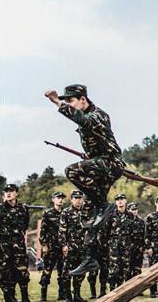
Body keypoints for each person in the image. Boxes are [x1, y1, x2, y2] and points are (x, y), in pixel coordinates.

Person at [44, 84, 125, 276]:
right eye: (66, 102)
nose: (69, 104)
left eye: (70, 101)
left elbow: (83, 120)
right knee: (88, 217)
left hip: (110, 164)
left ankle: (104, 205)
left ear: (83, 99)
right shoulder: (85, 117)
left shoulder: (98, 115)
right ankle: (90, 259)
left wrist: (57, 102)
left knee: (71, 171)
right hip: (99, 166)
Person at [0, 184, 33, 302]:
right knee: (5, 272)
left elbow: (25, 224)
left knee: (22, 271)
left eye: (11, 191)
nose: (9, 193)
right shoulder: (0, 209)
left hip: (19, 245)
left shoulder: (23, 208)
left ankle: (25, 299)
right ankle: (8, 301)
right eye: (6, 191)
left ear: (16, 193)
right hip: (4, 247)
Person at [59, 190, 88, 302]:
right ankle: (68, 296)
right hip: (70, 247)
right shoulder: (66, 212)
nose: (78, 200)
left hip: (83, 247)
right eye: (75, 198)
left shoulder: (86, 212)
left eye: (80, 198)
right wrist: (63, 245)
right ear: (71, 199)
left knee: (81, 272)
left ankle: (77, 294)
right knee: (67, 271)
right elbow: (62, 230)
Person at [39, 191, 66, 302]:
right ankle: (43, 294)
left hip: (62, 247)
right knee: (47, 270)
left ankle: (61, 294)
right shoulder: (48, 213)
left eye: (61, 198)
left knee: (62, 271)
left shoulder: (65, 213)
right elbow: (42, 231)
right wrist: (44, 245)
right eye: (57, 197)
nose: (60, 199)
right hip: (50, 247)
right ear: (53, 200)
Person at [103, 194, 134, 290]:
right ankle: (112, 288)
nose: (120, 201)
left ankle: (120, 289)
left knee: (125, 268)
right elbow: (105, 231)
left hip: (126, 246)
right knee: (114, 268)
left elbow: (133, 231)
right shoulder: (111, 215)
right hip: (114, 245)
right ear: (115, 202)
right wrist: (107, 244)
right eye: (118, 200)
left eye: (122, 199)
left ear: (126, 201)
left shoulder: (130, 215)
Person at [127, 202, 145, 282]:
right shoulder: (126, 221)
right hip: (128, 249)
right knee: (128, 269)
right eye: (132, 210)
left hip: (138, 249)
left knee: (137, 269)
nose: (134, 211)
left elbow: (144, 236)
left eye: (135, 209)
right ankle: (126, 288)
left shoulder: (141, 221)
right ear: (128, 210)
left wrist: (143, 247)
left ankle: (137, 286)